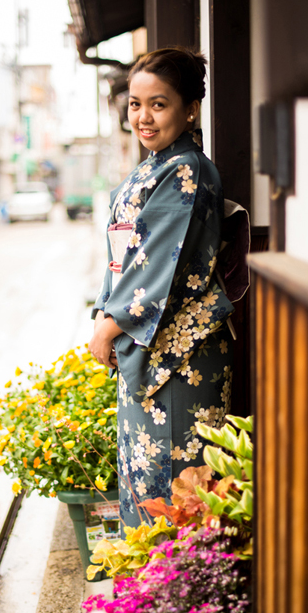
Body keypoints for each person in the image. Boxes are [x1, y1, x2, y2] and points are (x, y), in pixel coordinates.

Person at [89, 47, 243, 529]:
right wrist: (103, 312)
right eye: (136, 104)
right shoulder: (154, 167)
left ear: (190, 108)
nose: (144, 116)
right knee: (146, 477)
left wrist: (110, 324)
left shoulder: (187, 170)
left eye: (159, 104)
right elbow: (124, 260)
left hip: (180, 355)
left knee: (178, 485)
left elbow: (157, 263)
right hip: (146, 345)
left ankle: (177, 599)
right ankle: (154, 596)